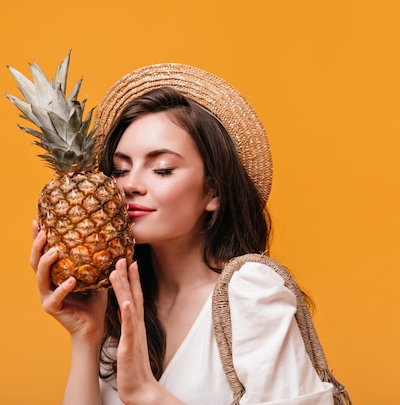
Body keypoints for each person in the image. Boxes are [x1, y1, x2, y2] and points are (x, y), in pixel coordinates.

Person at [29, 63, 345, 405]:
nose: (130, 184)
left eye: (162, 168)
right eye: (120, 169)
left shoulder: (249, 292)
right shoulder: (127, 304)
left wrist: (150, 396)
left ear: (213, 191)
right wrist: (85, 335)